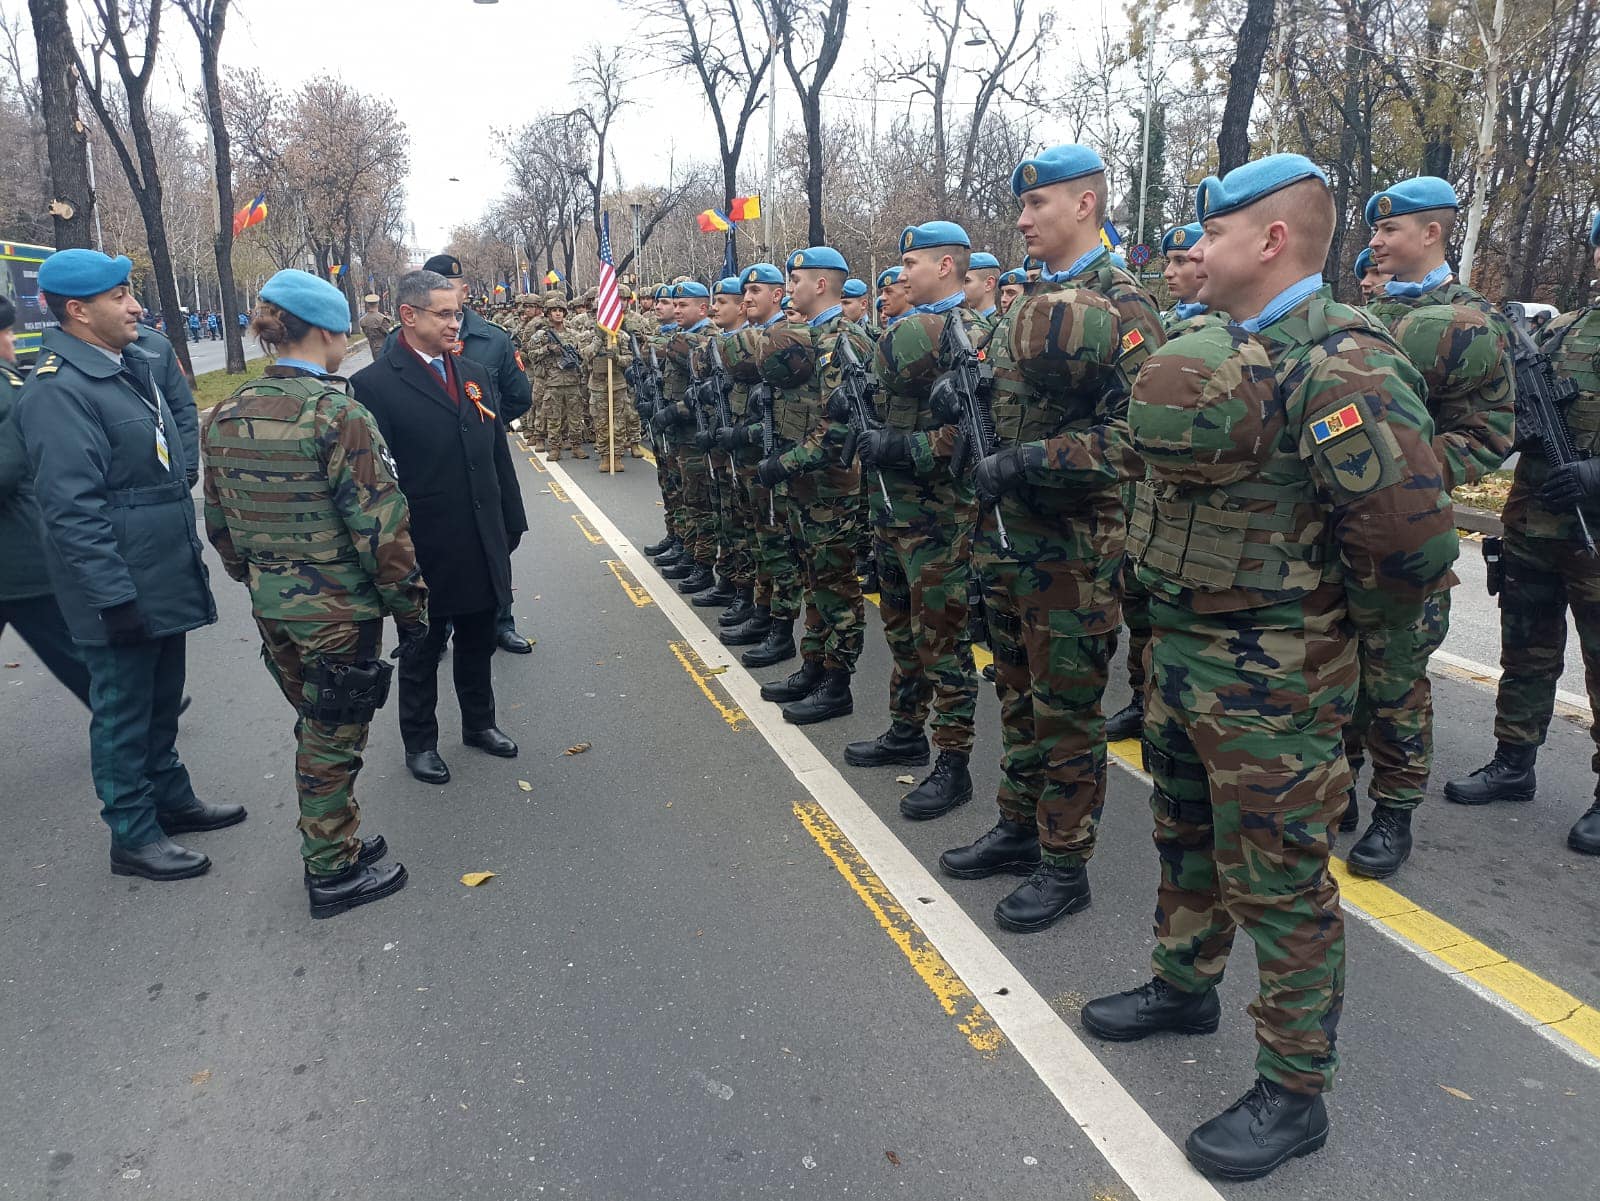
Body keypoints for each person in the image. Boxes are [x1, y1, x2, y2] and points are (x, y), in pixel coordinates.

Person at [1081, 153, 1457, 1180]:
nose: (1193, 248)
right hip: (1186, 657)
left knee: (1283, 882)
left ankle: (1294, 1090)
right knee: (1184, 831)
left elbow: (1411, 547)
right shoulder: (1216, 346)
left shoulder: (1342, 364)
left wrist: (1350, 667)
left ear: (1272, 239)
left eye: (1214, 230)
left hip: (1280, 678)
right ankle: (1182, 982)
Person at [936, 145, 1164, 934]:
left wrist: (1033, 458)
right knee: (1016, 695)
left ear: (1086, 205)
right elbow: (999, 400)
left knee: (1067, 712)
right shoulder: (1027, 299)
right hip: (1007, 546)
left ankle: (1065, 864)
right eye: (1022, 206)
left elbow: (1140, 439)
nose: (1023, 219)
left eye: (1038, 206)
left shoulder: (1123, 305)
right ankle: (1017, 825)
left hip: (1075, 554)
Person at [202, 269, 421, 917]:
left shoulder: (227, 413)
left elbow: (219, 525)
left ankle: (342, 836)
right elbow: (383, 529)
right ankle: (330, 870)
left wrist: (260, 582)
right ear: (327, 331)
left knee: (319, 722)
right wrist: (412, 610)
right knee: (333, 737)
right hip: (338, 611)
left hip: (275, 607)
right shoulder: (336, 413)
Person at [17, 249, 237, 881]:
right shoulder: (59, 391)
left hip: (159, 566)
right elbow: (71, 510)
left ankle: (171, 798)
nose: (135, 305)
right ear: (79, 311)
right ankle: (132, 833)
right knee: (122, 710)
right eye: (118, 296)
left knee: (162, 697)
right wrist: (113, 598)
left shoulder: (129, 365)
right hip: (120, 580)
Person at [1342, 177, 1515, 876]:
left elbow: (1491, 430)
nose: (1376, 244)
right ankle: (1339, 790)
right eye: (1374, 233)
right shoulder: (1364, 313)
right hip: (1346, 531)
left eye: (1389, 232)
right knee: (1339, 668)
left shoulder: (1471, 321)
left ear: (1432, 234)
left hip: (1413, 536)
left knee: (1396, 680)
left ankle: (1394, 811)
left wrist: (1409, 472)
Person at [1445, 211, 1600, 855]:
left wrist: (1596, 474)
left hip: (1595, 533)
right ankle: (1514, 763)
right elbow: (1506, 412)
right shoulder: (1560, 333)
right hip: (1535, 523)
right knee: (1527, 651)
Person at [351, 269, 528, 786]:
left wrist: (510, 521)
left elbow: (497, 455)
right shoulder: (374, 385)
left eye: (458, 313)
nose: (457, 323)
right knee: (423, 647)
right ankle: (420, 742)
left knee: (477, 636)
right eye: (445, 314)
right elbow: (375, 480)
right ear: (409, 316)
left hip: (479, 533)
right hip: (421, 541)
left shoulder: (472, 372)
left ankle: (479, 724)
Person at [845, 220, 984, 820]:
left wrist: (905, 449)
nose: (900, 276)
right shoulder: (903, 330)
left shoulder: (969, 335)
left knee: (943, 643)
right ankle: (907, 729)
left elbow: (973, 432)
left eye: (911, 266)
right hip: (893, 512)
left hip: (940, 517)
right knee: (902, 632)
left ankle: (953, 764)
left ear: (946, 267)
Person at [748, 246, 873, 724]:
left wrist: (784, 464)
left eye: (796, 279)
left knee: (837, 587)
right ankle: (813, 666)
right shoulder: (812, 337)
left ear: (820, 285)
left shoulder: (843, 341)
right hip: (806, 485)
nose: (790, 286)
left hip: (831, 488)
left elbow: (836, 431)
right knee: (813, 582)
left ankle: (837, 683)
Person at [418, 254, 535, 656]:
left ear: (465, 289)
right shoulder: (412, 338)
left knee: (495, 540)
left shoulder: (493, 339)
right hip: (432, 467)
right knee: (438, 542)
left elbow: (520, 395)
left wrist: (488, 431)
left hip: (484, 462)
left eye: (453, 285)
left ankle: (501, 621)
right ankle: (439, 622)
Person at [0, 294, 92, 708]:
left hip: (17, 556)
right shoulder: (6, 387)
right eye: (6, 332)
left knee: (66, 645)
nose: (11, 341)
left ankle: (128, 712)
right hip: (18, 553)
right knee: (67, 646)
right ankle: (129, 713)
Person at [719, 263, 802, 666]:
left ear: (777, 295)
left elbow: (734, 358)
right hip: (752, 458)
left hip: (776, 459)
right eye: (745, 292)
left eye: (755, 291)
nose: (747, 298)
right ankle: (762, 611)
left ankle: (780, 629)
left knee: (776, 547)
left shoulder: (784, 338)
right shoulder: (763, 337)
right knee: (758, 540)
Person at [531, 296, 587, 461]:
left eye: (560, 311)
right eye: (554, 311)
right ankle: (555, 447)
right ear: (548, 313)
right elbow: (532, 354)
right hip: (553, 381)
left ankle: (576, 446)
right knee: (553, 417)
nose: (557, 314)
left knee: (575, 416)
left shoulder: (573, 335)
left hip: (572, 381)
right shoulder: (542, 335)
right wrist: (548, 349)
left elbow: (583, 355)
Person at [962, 251, 1001, 319]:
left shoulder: (1005, 327)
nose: (960, 287)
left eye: (966, 281)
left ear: (989, 284)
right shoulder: (957, 322)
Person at [360, 293, 396, 359]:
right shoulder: (381, 319)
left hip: (373, 349)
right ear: (377, 304)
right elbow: (391, 334)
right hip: (385, 349)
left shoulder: (362, 320)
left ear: (367, 304)